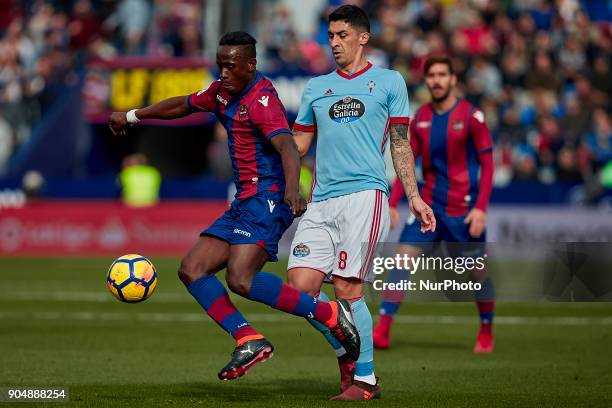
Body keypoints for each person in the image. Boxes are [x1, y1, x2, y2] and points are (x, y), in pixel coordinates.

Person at [108, 31, 360, 381]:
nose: (223, 73)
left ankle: (330, 314)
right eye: (220, 66)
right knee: (192, 268)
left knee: (240, 278)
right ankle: (248, 338)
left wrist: (292, 190)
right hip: (244, 200)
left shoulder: (262, 100)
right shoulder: (221, 93)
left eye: (230, 66)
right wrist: (134, 115)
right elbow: (183, 103)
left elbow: (287, 146)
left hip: (270, 198)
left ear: (250, 65)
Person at [288, 5, 436, 400]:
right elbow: (299, 144)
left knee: (347, 288)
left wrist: (415, 197)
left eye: (341, 35)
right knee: (301, 286)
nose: (334, 43)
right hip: (321, 199)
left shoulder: (389, 82)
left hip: (365, 195)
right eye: (331, 36)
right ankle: (345, 350)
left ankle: (365, 380)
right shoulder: (316, 87)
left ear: (363, 37)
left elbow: (401, 143)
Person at [372, 55, 496, 353]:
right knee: (401, 262)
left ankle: (486, 330)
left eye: (443, 74)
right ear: (426, 81)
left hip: (463, 211)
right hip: (428, 208)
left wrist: (480, 208)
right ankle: (383, 330)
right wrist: (394, 203)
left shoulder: (471, 116)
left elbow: (488, 165)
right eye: (432, 75)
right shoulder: (421, 119)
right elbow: (406, 163)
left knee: (476, 273)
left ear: (453, 79)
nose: (437, 80)